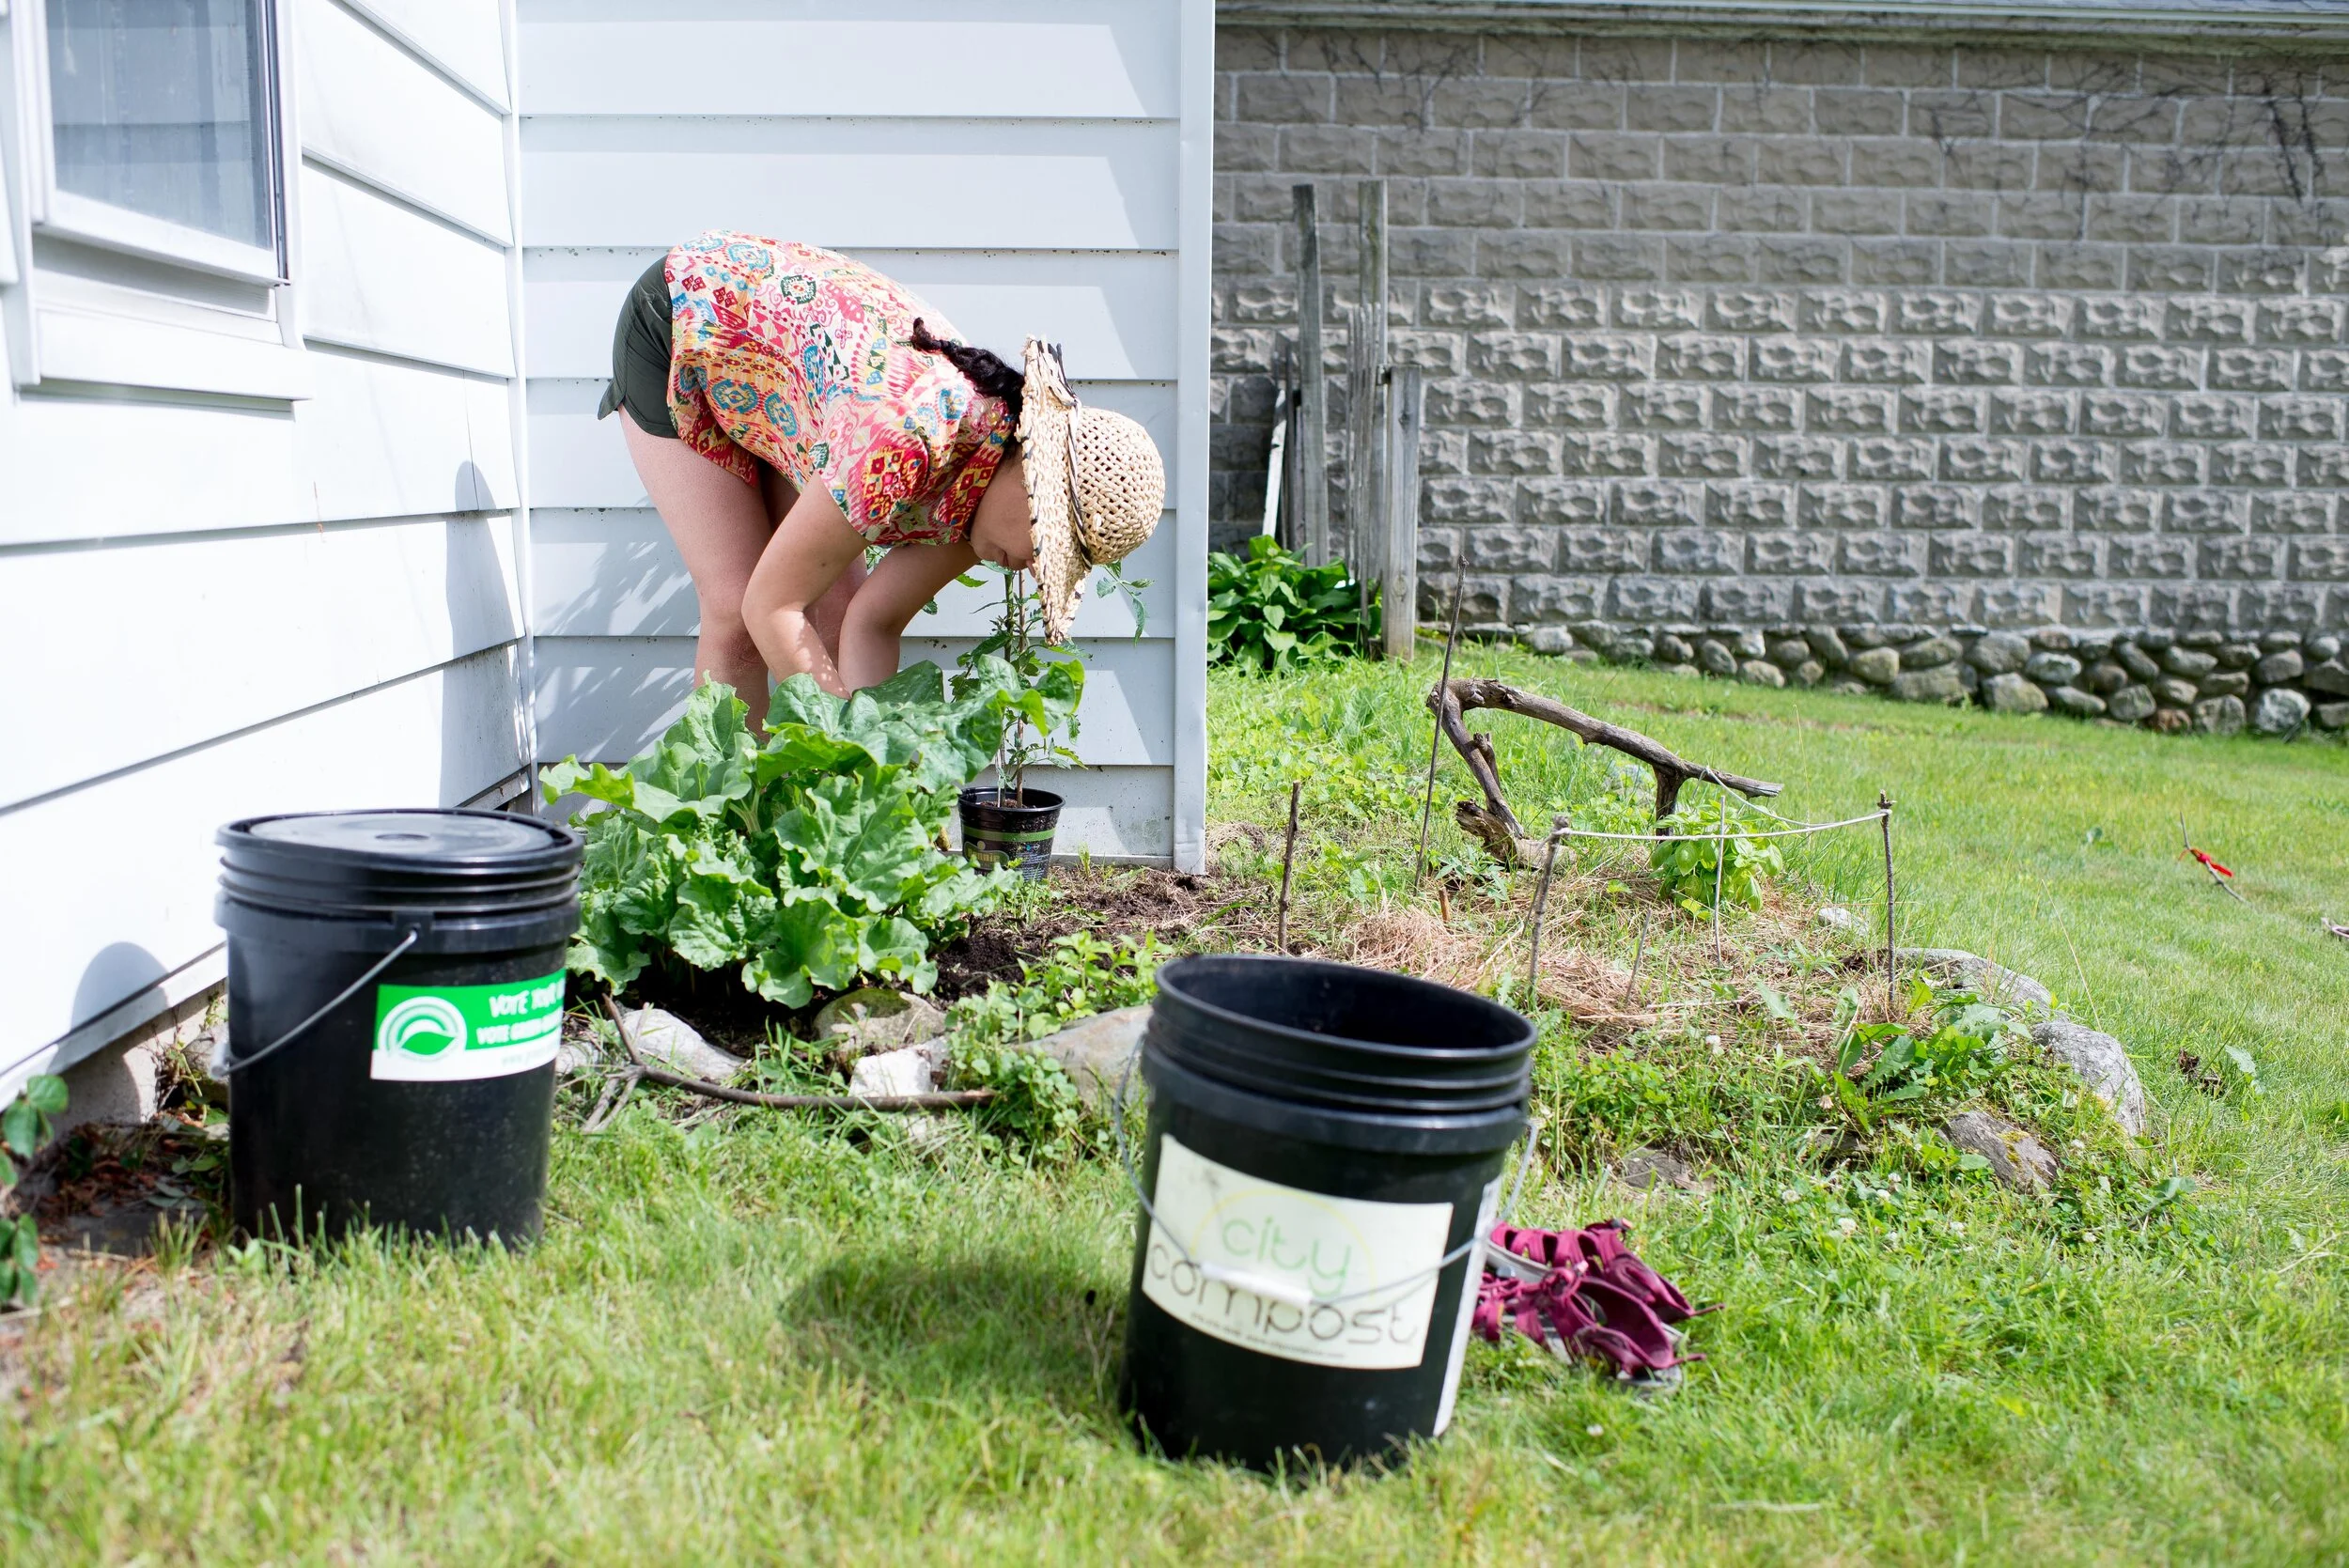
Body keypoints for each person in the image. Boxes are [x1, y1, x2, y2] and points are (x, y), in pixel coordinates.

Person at [598, 231, 1164, 725]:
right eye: (1048, 546)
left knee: (840, 605)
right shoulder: (908, 437)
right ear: (1030, 481)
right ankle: (729, 833)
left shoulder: (986, 499)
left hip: (793, 386)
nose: (1037, 567)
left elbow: (874, 622)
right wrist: (853, 748)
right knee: (735, 605)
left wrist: (880, 761)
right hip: (691, 317)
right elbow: (768, 607)